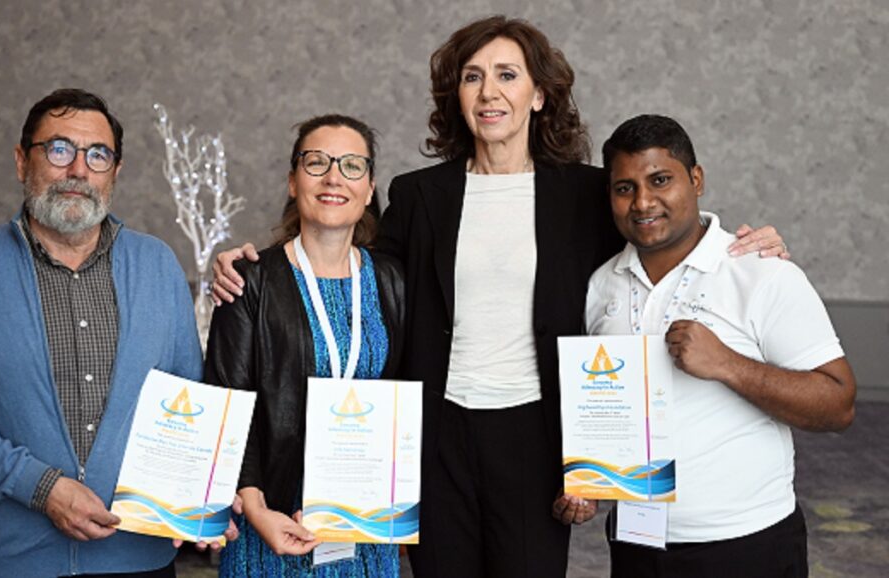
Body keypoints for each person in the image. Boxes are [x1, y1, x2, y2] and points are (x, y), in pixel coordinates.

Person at [211, 17, 786, 577]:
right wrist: (248, 264)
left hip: (536, 437)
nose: (490, 92)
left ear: (539, 95)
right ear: (456, 96)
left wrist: (738, 237)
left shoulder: (583, 194)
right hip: (437, 438)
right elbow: (347, 261)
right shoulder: (418, 195)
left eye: (508, 75)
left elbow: (659, 230)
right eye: (472, 76)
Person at [0, 88, 232, 578]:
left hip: (139, 557)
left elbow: (188, 402)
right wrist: (42, 488)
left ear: (115, 172)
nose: (79, 170)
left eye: (98, 155)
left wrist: (197, 501)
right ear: (23, 162)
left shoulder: (157, 264)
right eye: (59, 150)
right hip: (14, 560)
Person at [581, 114, 855, 577]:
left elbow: (839, 404)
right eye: (624, 188)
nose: (643, 201)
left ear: (697, 179)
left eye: (660, 180)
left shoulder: (761, 272)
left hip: (745, 544)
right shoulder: (599, 284)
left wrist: (728, 364)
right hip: (635, 540)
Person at [205, 114, 405, 577]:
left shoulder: (393, 281)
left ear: (371, 187)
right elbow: (228, 404)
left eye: (352, 165)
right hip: (270, 523)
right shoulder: (249, 279)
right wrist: (255, 508)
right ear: (293, 182)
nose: (334, 177)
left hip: (364, 529)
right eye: (316, 163)